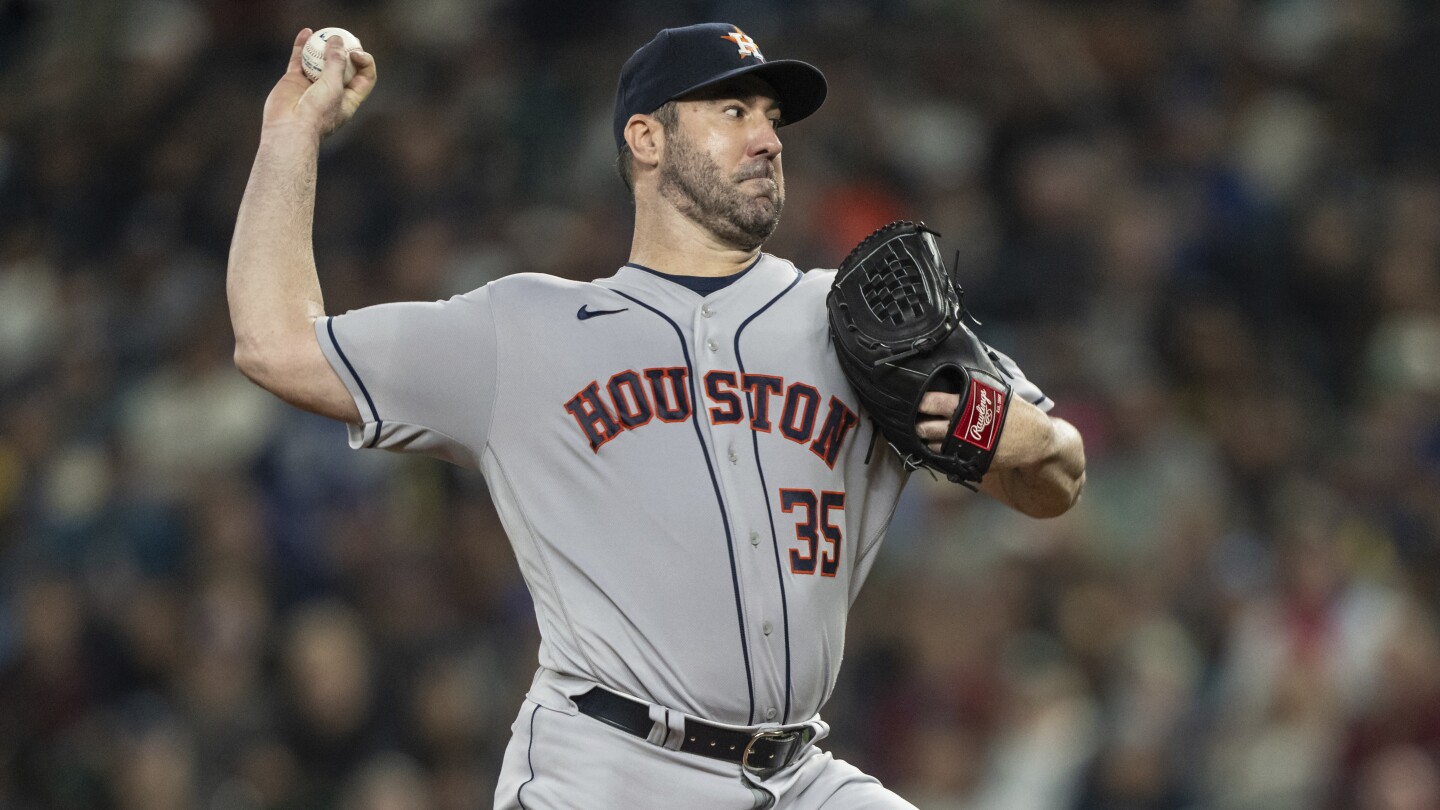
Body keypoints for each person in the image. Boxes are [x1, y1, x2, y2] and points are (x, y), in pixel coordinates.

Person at [227, 22, 1086, 809]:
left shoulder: (855, 317)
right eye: (732, 109)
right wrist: (291, 133)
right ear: (646, 138)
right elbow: (275, 344)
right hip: (607, 768)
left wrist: (1025, 437)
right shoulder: (522, 331)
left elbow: (1056, 480)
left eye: (772, 117)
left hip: (797, 775)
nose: (766, 139)